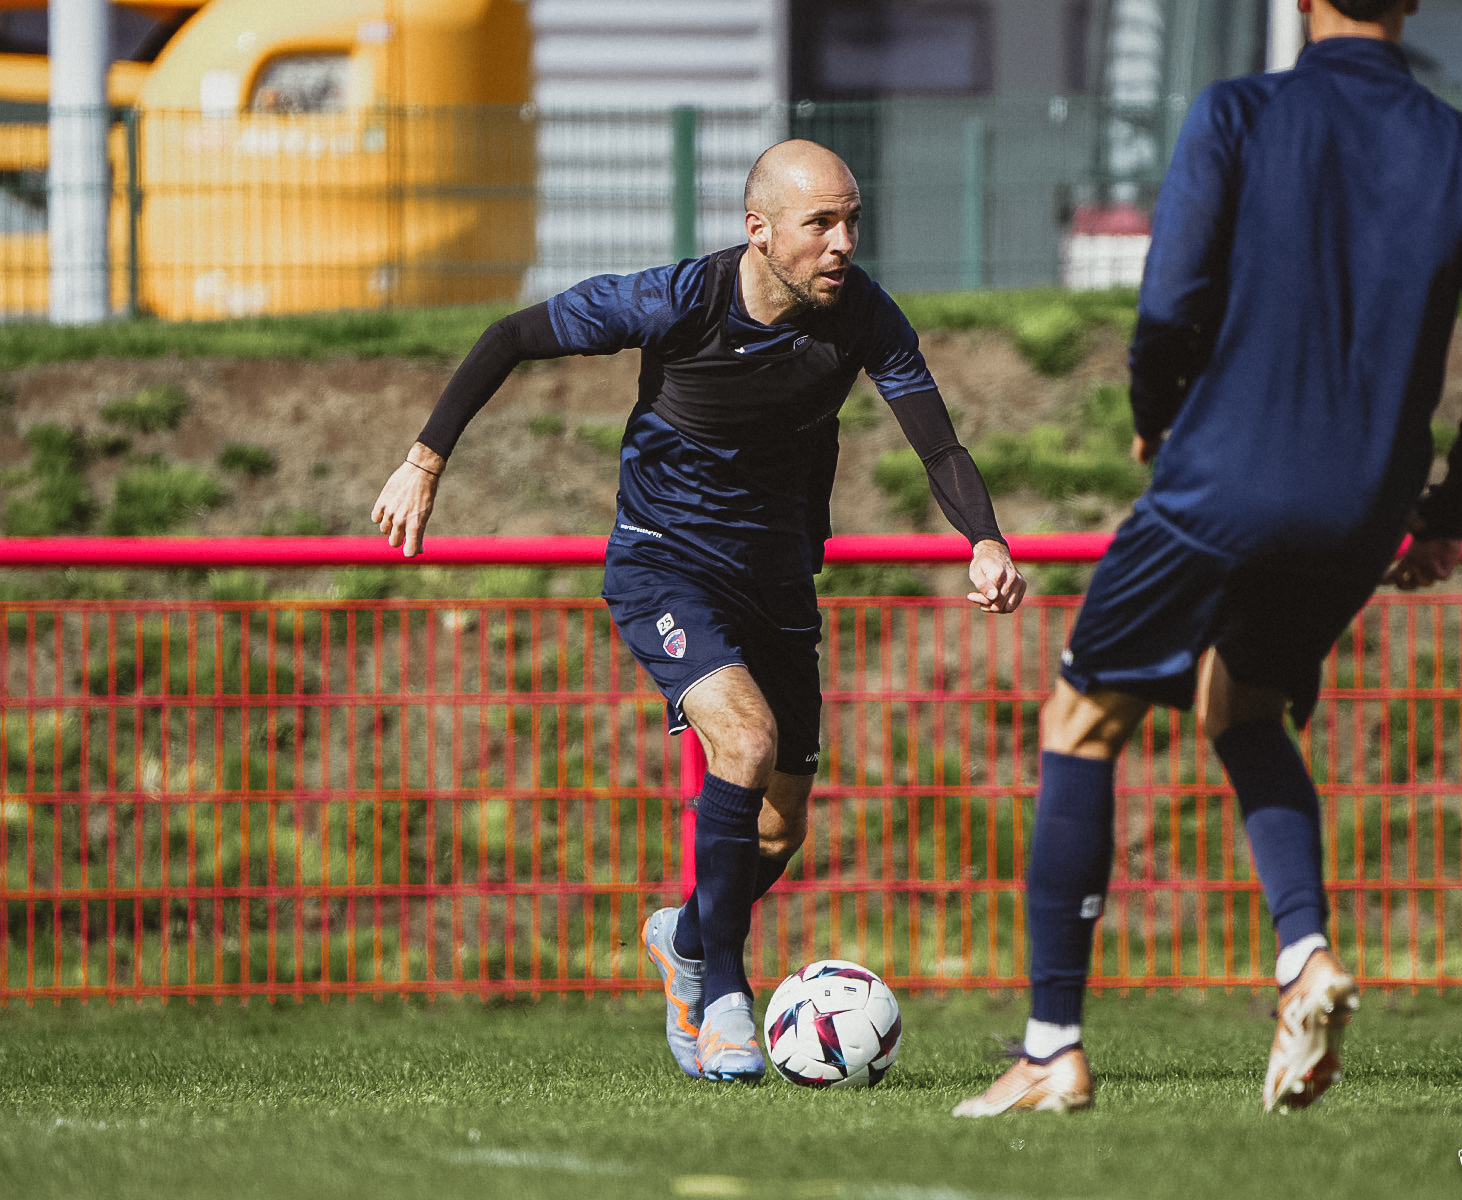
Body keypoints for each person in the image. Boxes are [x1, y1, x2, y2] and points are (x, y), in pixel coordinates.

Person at [954, 0, 1462, 1118]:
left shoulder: (1238, 109)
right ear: (1412, 4)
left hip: (1222, 478)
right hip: (1364, 511)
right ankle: (1302, 958)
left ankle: (1050, 1049)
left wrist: (1154, 415)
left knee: (1079, 722)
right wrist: (1444, 514)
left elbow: (1170, 300)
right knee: (1242, 704)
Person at [371, 139, 1027, 1082]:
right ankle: (723, 992)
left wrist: (987, 538)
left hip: (779, 579)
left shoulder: (865, 317)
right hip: (663, 565)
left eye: (851, 221)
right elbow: (512, 336)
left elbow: (939, 446)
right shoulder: (675, 300)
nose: (843, 244)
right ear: (758, 231)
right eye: (820, 225)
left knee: (781, 827)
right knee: (745, 745)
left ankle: (683, 933)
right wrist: (423, 462)